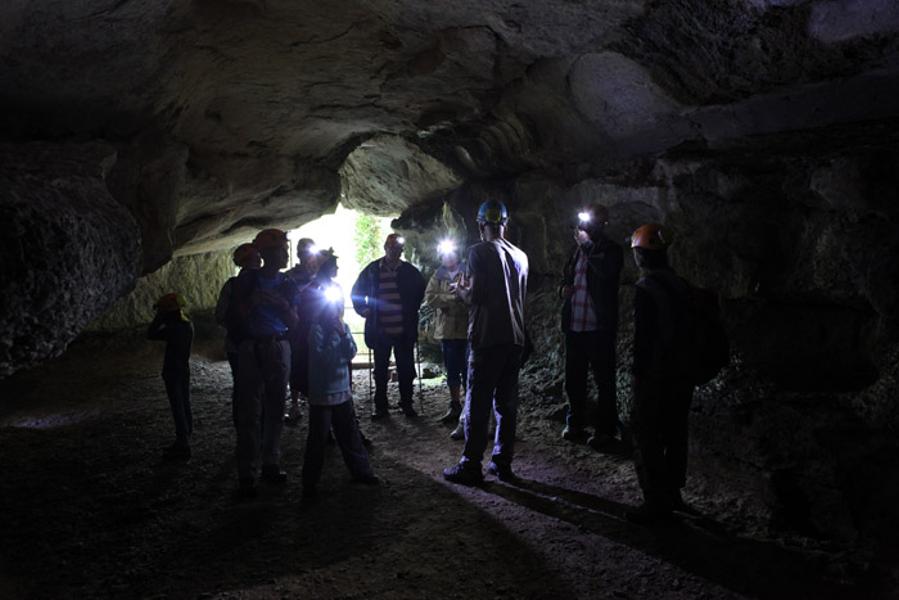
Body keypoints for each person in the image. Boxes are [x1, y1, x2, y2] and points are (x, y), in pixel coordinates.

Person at [443, 200, 529, 485]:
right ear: (505, 223)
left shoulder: (478, 251)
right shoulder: (521, 256)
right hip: (515, 337)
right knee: (506, 403)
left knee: (478, 403)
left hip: (487, 336)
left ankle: (470, 465)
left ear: (481, 224)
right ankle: (502, 462)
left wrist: (461, 291)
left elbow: (476, 296)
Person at [627, 223, 697, 524]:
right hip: (683, 371)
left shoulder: (646, 289)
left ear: (641, 255)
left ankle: (656, 501)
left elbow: (643, 339)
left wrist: (638, 374)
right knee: (675, 432)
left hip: (656, 374)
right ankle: (673, 493)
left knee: (646, 433)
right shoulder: (681, 284)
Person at [302, 252, 378, 499]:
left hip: (341, 391)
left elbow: (351, 353)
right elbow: (322, 358)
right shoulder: (316, 331)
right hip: (323, 393)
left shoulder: (343, 328)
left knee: (349, 434)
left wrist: (343, 335)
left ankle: (361, 471)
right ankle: (310, 483)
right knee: (317, 440)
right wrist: (337, 342)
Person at [232, 228, 300, 498]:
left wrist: (282, 305)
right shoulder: (246, 282)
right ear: (268, 254)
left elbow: (295, 323)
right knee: (249, 412)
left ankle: (270, 461)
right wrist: (253, 301)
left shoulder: (288, 284)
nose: (285, 254)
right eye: (281, 250)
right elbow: (234, 317)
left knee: (275, 408)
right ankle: (247, 472)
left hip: (278, 344)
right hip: (252, 347)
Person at [560, 204, 624, 450]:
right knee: (574, 379)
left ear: (600, 225)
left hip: (599, 328)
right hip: (575, 326)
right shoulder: (576, 251)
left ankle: (605, 431)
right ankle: (575, 423)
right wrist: (562, 290)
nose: (583, 227)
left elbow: (607, 273)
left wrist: (586, 246)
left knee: (604, 381)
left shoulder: (611, 250)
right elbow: (567, 279)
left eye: (589, 223)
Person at [351, 233, 426, 419]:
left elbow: (422, 292)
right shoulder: (372, 270)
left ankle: (407, 404)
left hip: (404, 329)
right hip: (380, 328)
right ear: (385, 247)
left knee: (406, 369)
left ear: (401, 250)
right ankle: (381, 407)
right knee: (381, 370)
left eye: (398, 248)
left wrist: (413, 310)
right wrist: (363, 309)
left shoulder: (410, 271)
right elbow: (356, 291)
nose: (394, 250)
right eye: (391, 247)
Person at [215, 243, 262, 429]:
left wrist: (236, 328)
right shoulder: (264, 282)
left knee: (242, 388)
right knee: (261, 387)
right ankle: (259, 428)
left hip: (237, 344)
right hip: (261, 344)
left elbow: (220, 316)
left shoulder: (232, 285)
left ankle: (243, 429)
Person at [424, 242, 469, 428]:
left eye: (452, 254)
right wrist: (453, 297)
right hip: (447, 331)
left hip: (466, 330)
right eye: (445, 255)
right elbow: (430, 298)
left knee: (468, 371)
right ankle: (455, 404)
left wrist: (455, 296)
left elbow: (472, 295)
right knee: (452, 370)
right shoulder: (438, 275)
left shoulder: (468, 272)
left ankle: (469, 406)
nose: (449, 258)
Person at [147, 292, 194, 461]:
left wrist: (159, 318)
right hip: (184, 368)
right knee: (184, 401)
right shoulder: (187, 325)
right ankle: (187, 433)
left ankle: (183, 443)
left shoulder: (172, 329)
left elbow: (151, 334)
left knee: (177, 405)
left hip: (172, 369)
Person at [285, 238, 320, 425]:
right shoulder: (290, 276)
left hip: (316, 323)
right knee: (296, 362)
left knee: (314, 360)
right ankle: (295, 403)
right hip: (298, 325)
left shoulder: (319, 275)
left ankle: (312, 398)